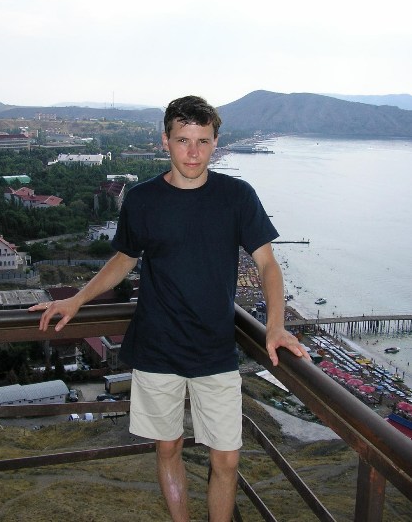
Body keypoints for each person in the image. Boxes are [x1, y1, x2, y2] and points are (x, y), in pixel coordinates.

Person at [30, 95, 310, 522]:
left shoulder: (237, 196)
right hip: (157, 345)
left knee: (227, 458)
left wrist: (274, 325)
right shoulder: (143, 199)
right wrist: (77, 299)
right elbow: (123, 258)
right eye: (183, 140)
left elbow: (267, 264)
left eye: (203, 141)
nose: (193, 152)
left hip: (215, 348)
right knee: (168, 447)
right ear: (165, 141)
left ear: (216, 143)